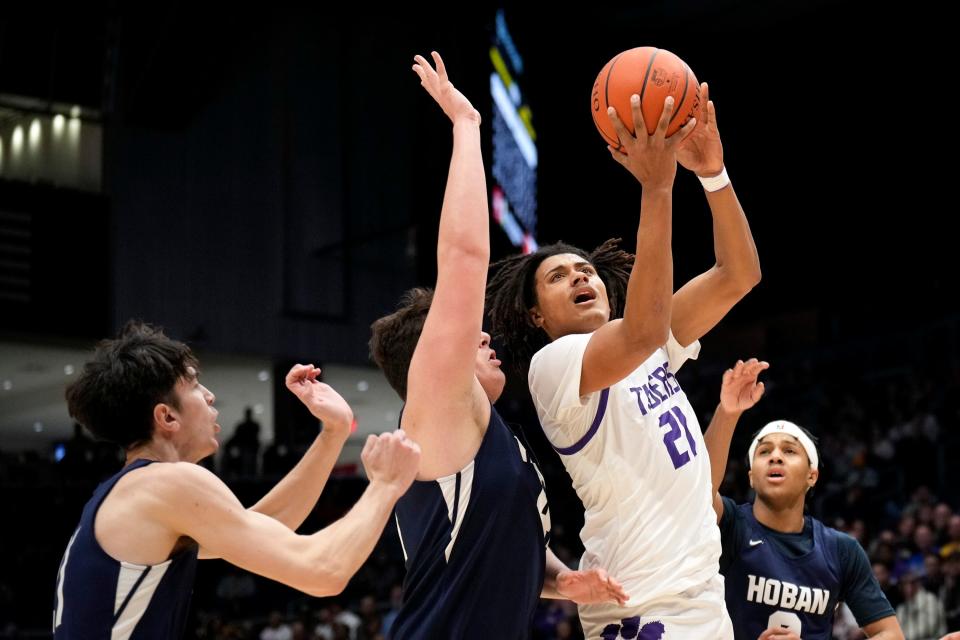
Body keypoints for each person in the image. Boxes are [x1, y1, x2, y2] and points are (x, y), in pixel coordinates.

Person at [486, 83, 759, 638]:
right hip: (642, 607)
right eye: (557, 278)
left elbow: (739, 275)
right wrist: (657, 188)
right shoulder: (555, 366)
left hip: (702, 594)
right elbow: (641, 330)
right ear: (537, 316)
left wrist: (713, 174)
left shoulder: (648, 343)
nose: (579, 276)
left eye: (583, 269)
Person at [368, 52, 626, 639]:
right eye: (463, 333)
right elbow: (463, 258)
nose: (483, 334)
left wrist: (562, 581)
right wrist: (465, 127)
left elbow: (498, 549)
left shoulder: (486, 435)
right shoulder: (432, 410)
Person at [53, 321, 420, 639]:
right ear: (166, 417)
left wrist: (333, 433)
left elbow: (270, 525)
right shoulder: (164, 485)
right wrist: (384, 488)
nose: (210, 395)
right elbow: (323, 571)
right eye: (195, 385)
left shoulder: (133, 493)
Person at [704, 358, 904, 639]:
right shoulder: (733, 524)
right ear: (751, 476)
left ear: (812, 476)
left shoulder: (841, 550)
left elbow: (890, 633)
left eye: (789, 451)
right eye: (764, 452)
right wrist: (727, 413)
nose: (775, 455)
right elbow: (698, 490)